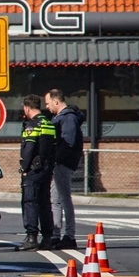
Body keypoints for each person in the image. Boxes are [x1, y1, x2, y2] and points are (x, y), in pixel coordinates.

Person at [45, 89, 86, 249]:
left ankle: (69, 236)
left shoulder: (67, 118)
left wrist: (56, 160)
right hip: (60, 163)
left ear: (56, 101)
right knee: (55, 200)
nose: (47, 107)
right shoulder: (62, 117)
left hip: (63, 164)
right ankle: (57, 235)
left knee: (63, 199)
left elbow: (68, 142)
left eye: (48, 103)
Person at [18, 94, 56, 251]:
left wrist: (24, 168)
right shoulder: (49, 124)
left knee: (30, 203)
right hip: (46, 169)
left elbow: (29, 149)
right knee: (45, 204)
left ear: (27, 107)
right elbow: (54, 148)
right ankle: (47, 238)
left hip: (33, 170)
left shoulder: (32, 126)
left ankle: (31, 237)